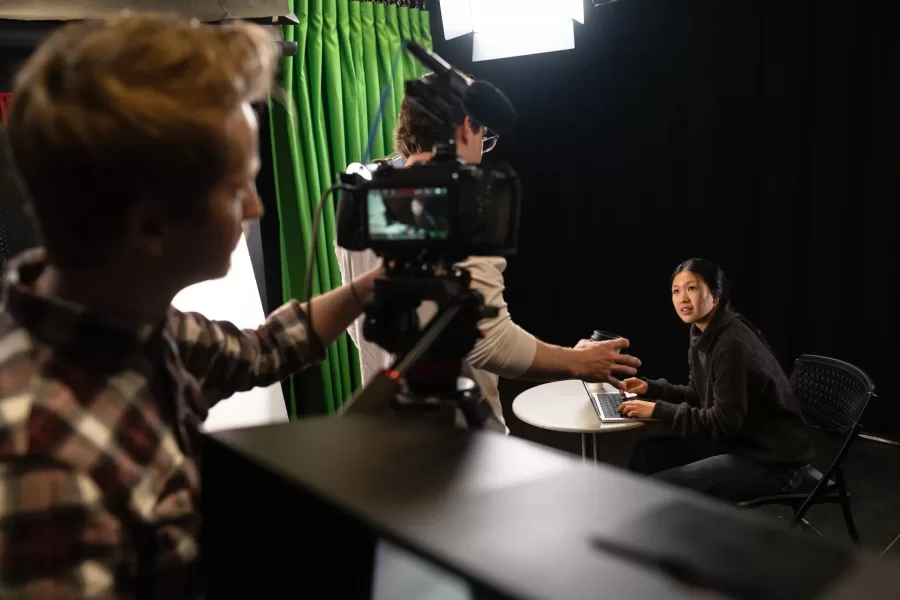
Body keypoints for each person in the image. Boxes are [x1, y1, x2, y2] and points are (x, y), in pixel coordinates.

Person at [0, 14, 380, 597]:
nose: (255, 208)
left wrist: (368, 288)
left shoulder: (129, 322)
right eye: (236, 189)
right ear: (151, 226)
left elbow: (261, 350)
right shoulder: (46, 467)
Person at [335, 73, 642, 432]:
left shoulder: (363, 197)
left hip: (384, 424)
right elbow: (492, 344)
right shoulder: (463, 202)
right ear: (467, 127)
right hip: (459, 436)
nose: (482, 151)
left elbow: (357, 322)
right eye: (484, 136)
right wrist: (576, 361)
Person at [617, 259, 814, 501]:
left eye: (692, 288)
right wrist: (652, 388)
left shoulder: (731, 344)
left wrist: (658, 410)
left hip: (771, 461)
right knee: (646, 454)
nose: (682, 299)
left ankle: (661, 525)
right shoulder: (703, 331)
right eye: (676, 291)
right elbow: (698, 394)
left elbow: (722, 424)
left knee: (663, 486)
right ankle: (639, 523)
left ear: (716, 294)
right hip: (739, 444)